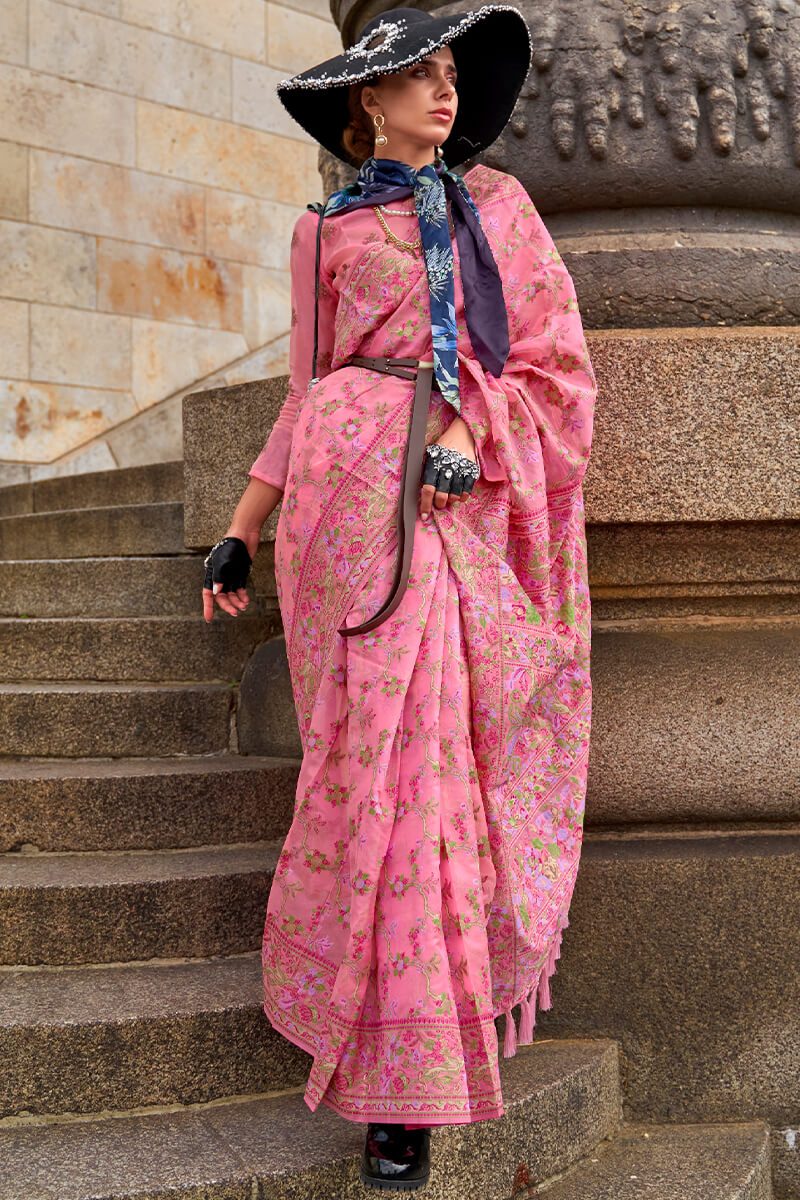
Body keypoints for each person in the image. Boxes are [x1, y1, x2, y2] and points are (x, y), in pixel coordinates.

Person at [202, 4, 597, 1190]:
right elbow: (304, 390)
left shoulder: (501, 210)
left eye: (448, 77)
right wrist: (238, 530)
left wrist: (472, 436)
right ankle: (367, 1037)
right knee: (353, 771)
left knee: (417, 772)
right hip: (332, 507)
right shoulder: (320, 229)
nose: (445, 94)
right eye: (420, 77)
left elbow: (552, 364)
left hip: (439, 497)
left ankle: (402, 1090)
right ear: (363, 103)